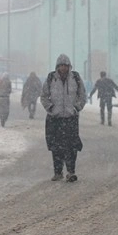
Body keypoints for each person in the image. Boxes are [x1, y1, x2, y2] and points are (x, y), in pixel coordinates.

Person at [41, 54, 86, 182]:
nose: (63, 68)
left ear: (69, 66)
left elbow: (82, 95)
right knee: (56, 147)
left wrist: (76, 108)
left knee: (71, 146)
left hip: (70, 118)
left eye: (65, 65)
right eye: (61, 65)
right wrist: (50, 108)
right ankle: (58, 172)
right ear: (57, 67)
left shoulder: (75, 78)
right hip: (55, 119)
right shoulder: (51, 78)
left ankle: (71, 172)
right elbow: (43, 96)